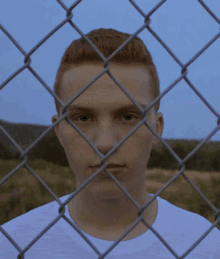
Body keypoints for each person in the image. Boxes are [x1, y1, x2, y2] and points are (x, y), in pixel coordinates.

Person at [1, 28, 219, 258]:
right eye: (83, 118)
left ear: (157, 127)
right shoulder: (11, 246)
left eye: (127, 117)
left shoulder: (206, 245)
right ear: (59, 131)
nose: (105, 144)